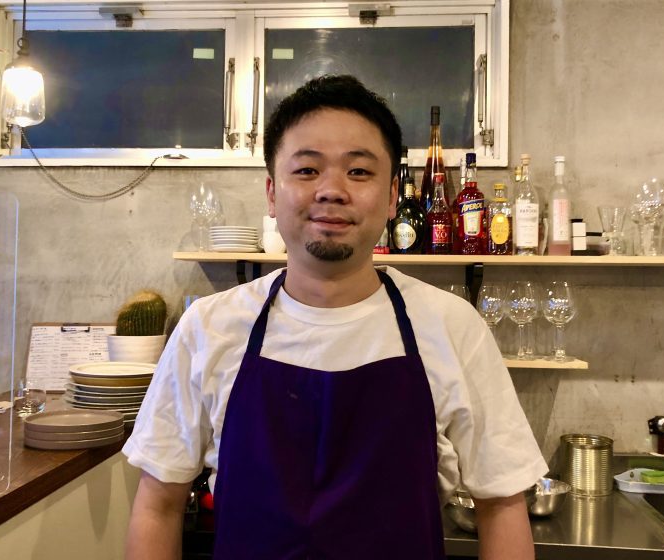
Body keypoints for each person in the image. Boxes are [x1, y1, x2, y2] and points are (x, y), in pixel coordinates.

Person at [123, 75, 548, 560]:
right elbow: (158, 505)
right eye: (306, 170)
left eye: (359, 171)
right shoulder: (208, 326)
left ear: (392, 196)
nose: (331, 190)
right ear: (271, 193)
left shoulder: (452, 325)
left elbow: (502, 504)